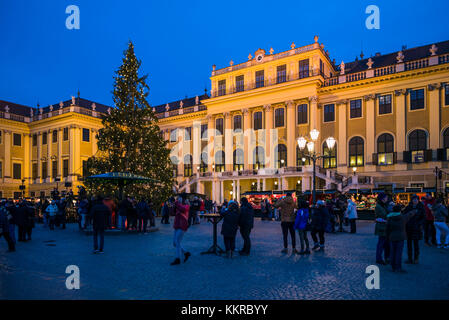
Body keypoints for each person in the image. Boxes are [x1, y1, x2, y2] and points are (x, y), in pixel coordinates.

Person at [386, 204, 416, 273]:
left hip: (392, 237)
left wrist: (387, 237)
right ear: (400, 210)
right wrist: (415, 211)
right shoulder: (402, 218)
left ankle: (393, 266)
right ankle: (398, 267)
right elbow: (409, 215)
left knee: (392, 252)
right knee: (398, 253)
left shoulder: (389, 218)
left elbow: (387, 229)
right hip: (400, 237)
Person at [403, 195, 425, 264]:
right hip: (409, 227)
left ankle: (416, 258)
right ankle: (409, 258)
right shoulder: (408, 207)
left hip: (416, 228)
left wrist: (419, 223)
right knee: (409, 244)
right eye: (414, 199)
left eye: (416, 199)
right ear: (412, 200)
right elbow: (404, 215)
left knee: (416, 244)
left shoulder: (421, 207)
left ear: (418, 200)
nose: (415, 201)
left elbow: (423, 217)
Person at [171, 196, 191, 265]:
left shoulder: (187, 206)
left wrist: (176, 202)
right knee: (175, 243)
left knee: (177, 241)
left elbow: (183, 209)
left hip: (182, 226)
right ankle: (186, 253)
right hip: (177, 226)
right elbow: (172, 212)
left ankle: (177, 259)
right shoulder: (178, 205)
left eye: (181, 198)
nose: (179, 199)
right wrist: (174, 204)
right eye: (178, 198)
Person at [374, 193, 390, 265]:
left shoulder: (383, 205)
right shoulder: (378, 206)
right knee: (381, 243)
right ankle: (379, 258)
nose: (387, 199)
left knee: (386, 243)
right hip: (381, 227)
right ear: (382, 199)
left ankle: (386, 257)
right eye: (386, 198)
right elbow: (383, 215)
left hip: (385, 227)